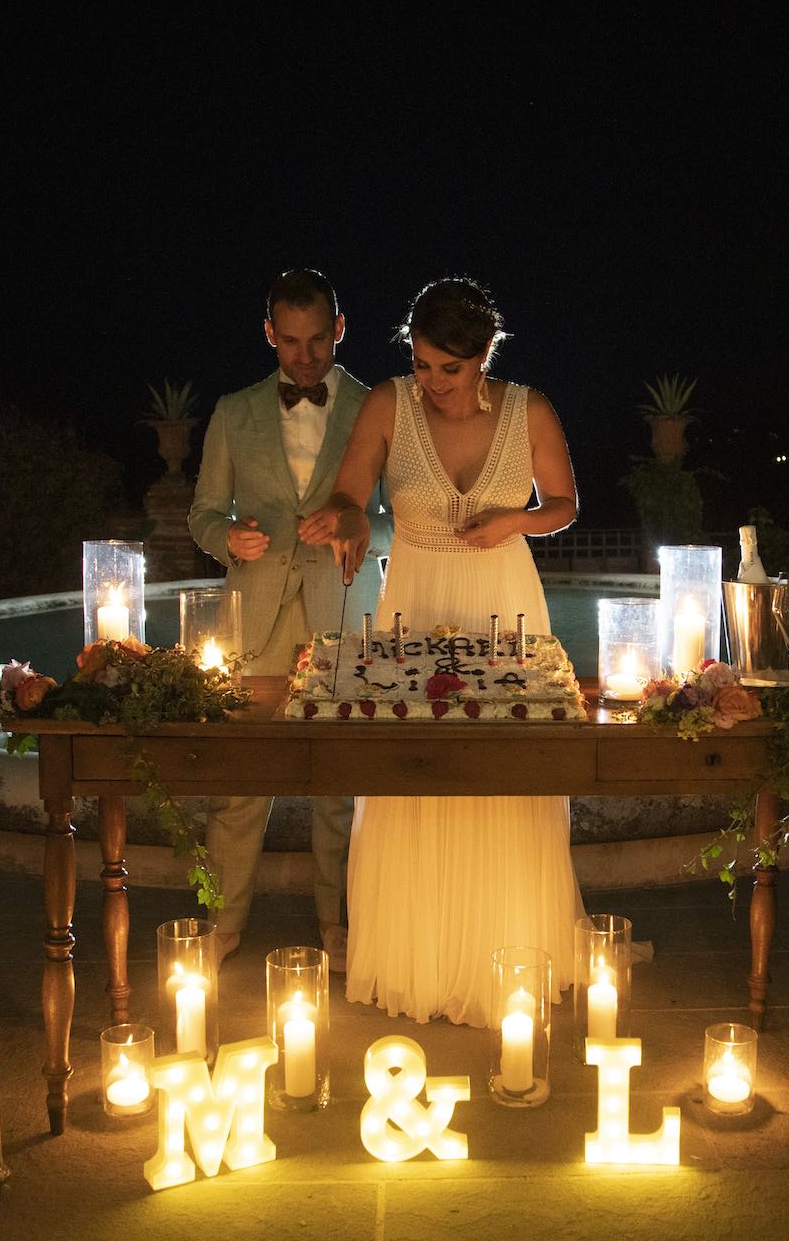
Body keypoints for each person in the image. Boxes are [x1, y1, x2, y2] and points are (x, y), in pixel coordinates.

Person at [317, 277, 583, 1028]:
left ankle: (507, 958)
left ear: (484, 356)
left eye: (449, 369)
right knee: (414, 768)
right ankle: (418, 959)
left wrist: (514, 523)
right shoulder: (386, 405)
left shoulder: (530, 409)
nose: (432, 383)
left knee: (508, 766)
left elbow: (564, 507)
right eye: (424, 364)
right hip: (417, 601)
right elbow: (349, 492)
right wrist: (339, 523)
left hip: (505, 601)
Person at [188, 268, 391, 968]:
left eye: (316, 341)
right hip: (253, 619)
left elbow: (401, 524)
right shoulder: (232, 411)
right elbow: (201, 513)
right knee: (239, 781)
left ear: (340, 327)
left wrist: (355, 521)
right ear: (269, 334)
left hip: (344, 609)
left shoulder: (377, 407)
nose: (303, 359)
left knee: (341, 784)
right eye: (290, 343)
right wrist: (227, 539)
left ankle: (340, 924)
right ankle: (222, 924)